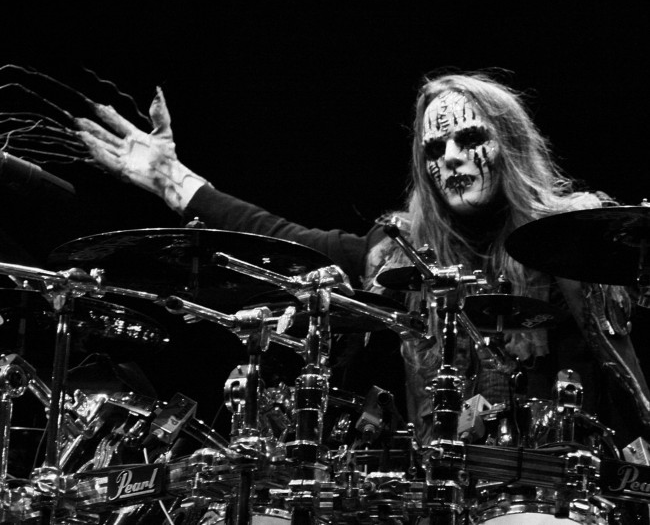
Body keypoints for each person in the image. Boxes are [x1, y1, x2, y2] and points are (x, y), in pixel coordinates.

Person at [75, 71, 650, 450]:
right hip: (445, 482)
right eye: (434, 149)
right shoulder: (402, 250)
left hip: (568, 483)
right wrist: (172, 180)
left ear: (511, 143)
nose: (451, 158)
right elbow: (286, 238)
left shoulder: (580, 234)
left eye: (469, 138)